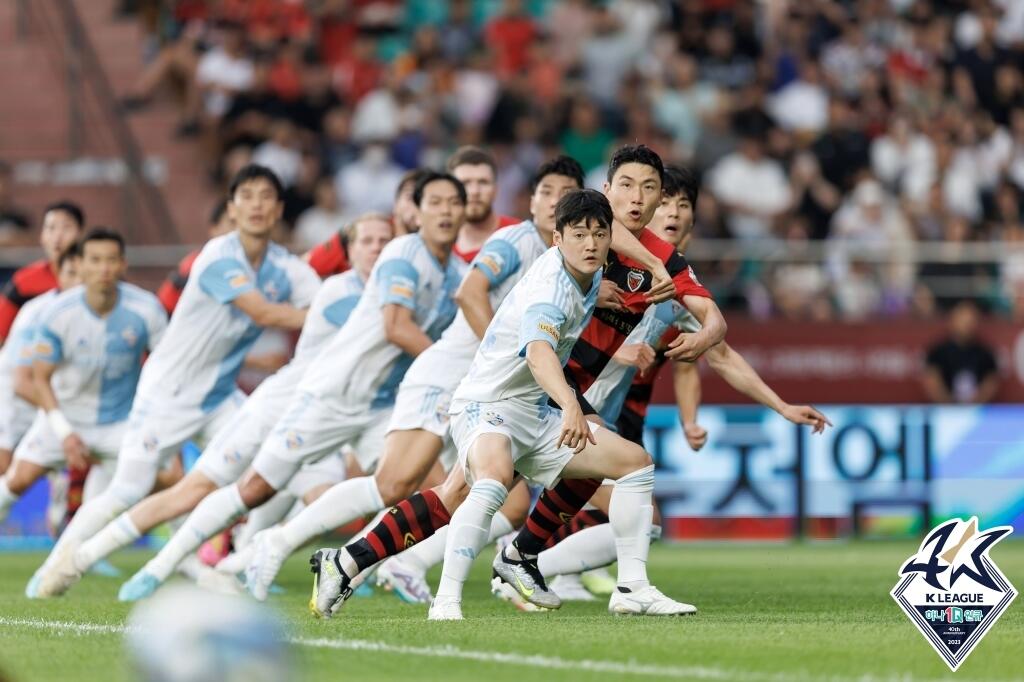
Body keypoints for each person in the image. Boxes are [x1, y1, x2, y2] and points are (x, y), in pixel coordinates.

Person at [312, 189, 692, 620]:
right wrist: (570, 404)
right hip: (487, 402)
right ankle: (447, 600)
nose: (590, 243)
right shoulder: (552, 287)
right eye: (580, 234)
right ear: (556, 238)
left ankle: (631, 588)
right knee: (489, 483)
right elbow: (538, 353)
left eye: (599, 234)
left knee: (633, 463)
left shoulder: (586, 277)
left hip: (532, 407)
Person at [241, 156, 587, 602]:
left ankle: (400, 562)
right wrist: (496, 360)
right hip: (449, 379)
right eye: (547, 192)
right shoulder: (514, 242)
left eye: (566, 194)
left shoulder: (563, 261)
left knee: (506, 501)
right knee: (394, 485)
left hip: (488, 392)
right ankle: (280, 542)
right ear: (533, 200)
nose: (556, 202)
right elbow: (469, 293)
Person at [120, 171, 466, 601]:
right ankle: (164, 563)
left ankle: (343, 562)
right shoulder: (395, 260)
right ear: (414, 212)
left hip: (381, 403)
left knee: (399, 486)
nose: (446, 211)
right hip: (328, 394)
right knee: (254, 489)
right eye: (435, 202)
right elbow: (397, 327)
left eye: (454, 202)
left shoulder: (458, 274)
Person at [68, 214, 392, 601]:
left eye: (384, 240)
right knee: (205, 488)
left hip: (350, 410)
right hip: (287, 406)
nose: (376, 247)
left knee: (369, 492)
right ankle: (124, 561)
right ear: (349, 250)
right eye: (366, 240)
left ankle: (246, 559)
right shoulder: (339, 293)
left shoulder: (390, 289)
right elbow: (387, 327)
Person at [34, 165, 320, 598]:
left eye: (266, 196)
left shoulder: (286, 267)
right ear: (232, 207)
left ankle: (235, 562)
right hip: (166, 394)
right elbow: (263, 313)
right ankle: (59, 567)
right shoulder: (217, 256)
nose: (257, 204)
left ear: (279, 209)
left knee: (274, 465)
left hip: (219, 396)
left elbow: (328, 302)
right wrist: (331, 320)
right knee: (127, 490)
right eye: (247, 195)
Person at [0, 228, 166, 543]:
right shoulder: (54, 313)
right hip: (64, 417)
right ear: (82, 264)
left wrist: (152, 418)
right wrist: (65, 433)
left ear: (123, 264)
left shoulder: (146, 310)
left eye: (110, 260)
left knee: (173, 477)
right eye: (94, 260)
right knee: (16, 480)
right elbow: (38, 379)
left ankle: (194, 561)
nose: (103, 268)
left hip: (120, 422)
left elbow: (164, 368)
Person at [0, 246, 81, 474]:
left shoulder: (95, 314)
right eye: (70, 274)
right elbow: (22, 383)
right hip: (13, 397)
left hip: (52, 398)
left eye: (81, 275)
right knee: (8, 468)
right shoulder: (38, 313)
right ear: (59, 276)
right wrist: (62, 420)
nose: (77, 283)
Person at [0, 201, 84, 343]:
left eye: (66, 228)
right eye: (51, 228)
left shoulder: (100, 276)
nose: (58, 237)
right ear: (42, 236)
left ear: (81, 235)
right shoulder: (24, 281)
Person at [156, 200, 234, 315]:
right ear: (214, 229)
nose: (237, 229)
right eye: (232, 222)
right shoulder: (197, 262)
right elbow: (164, 303)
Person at [446, 146, 520, 262]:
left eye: (483, 182)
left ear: (496, 190)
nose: (474, 191)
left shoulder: (519, 236)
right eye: (465, 183)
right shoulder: (437, 245)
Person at [923, 300, 1000, 404]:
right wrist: (948, 404)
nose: (967, 324)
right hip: (944, 410)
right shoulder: (938, 351)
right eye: (963, 318)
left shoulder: (985, 352)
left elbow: (991, 381)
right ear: (953, 319)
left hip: (977, 410)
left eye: (971, 319)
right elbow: (931, 379)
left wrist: (975, 402)